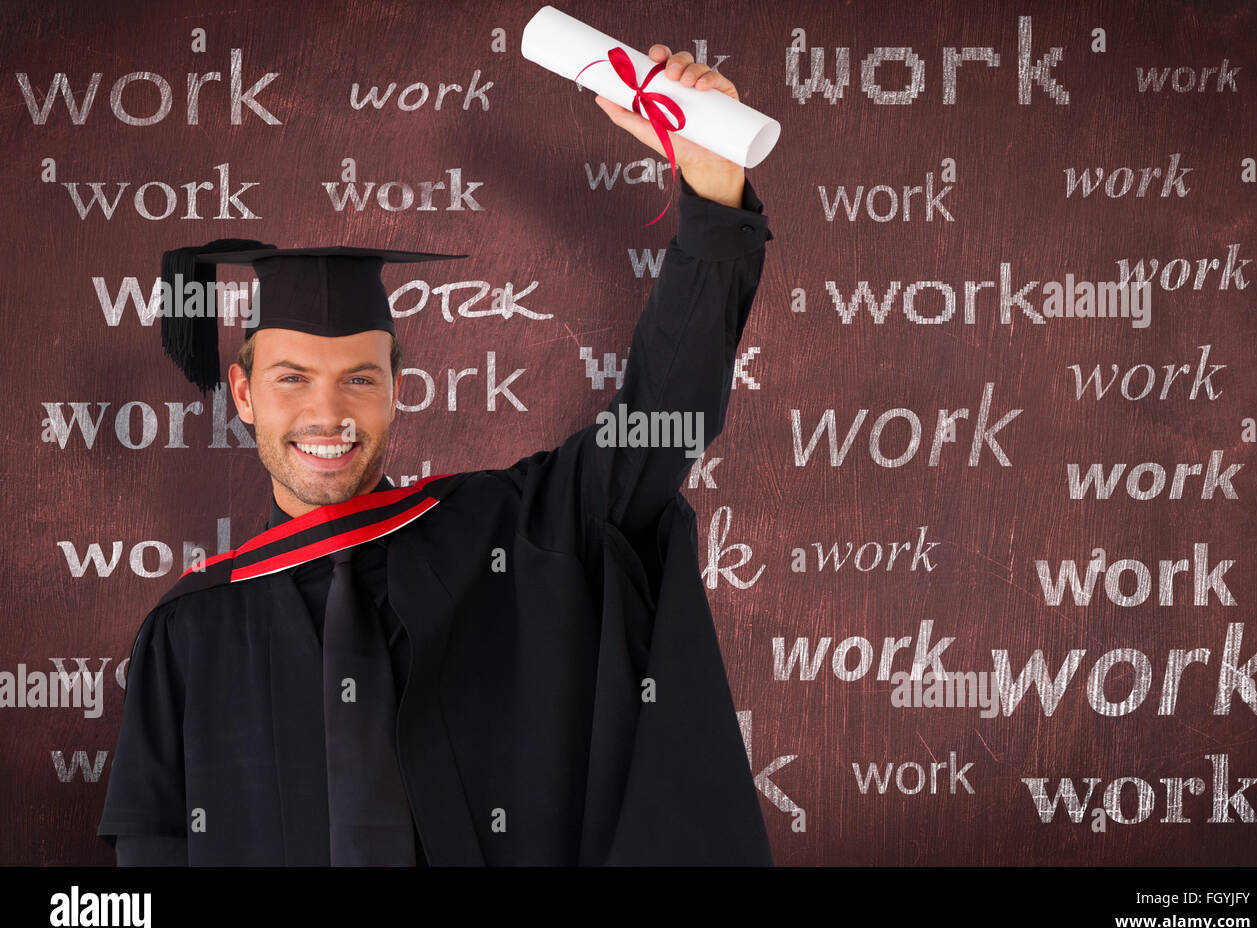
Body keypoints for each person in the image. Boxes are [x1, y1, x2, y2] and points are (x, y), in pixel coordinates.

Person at [97, 45, 774, 865]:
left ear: (396, 388)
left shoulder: (518, 535)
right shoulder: (186, 635)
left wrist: (711, 192)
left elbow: (663, 414)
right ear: (243, 395)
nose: (327, 413)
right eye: (291, 378)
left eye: (358, 377)